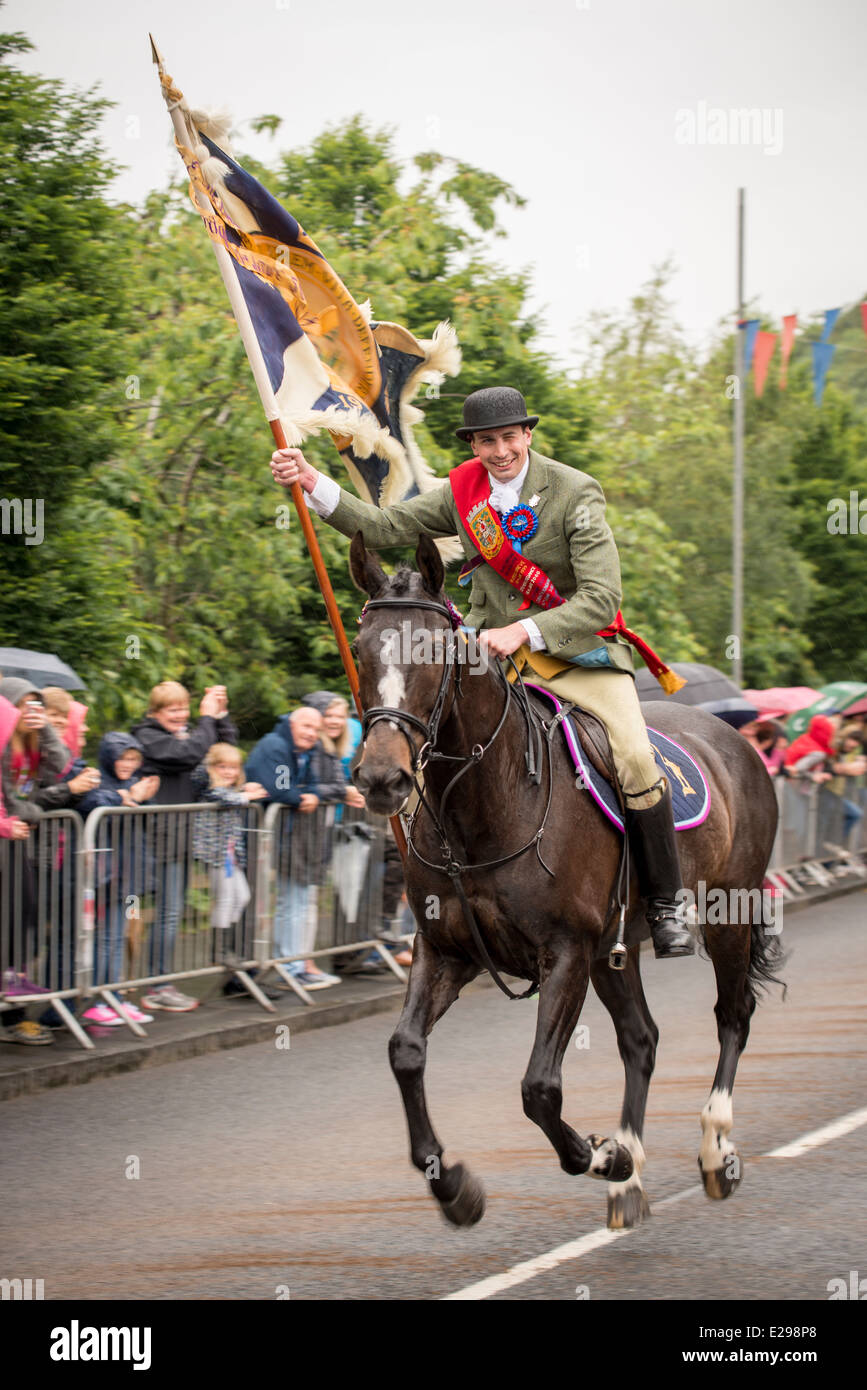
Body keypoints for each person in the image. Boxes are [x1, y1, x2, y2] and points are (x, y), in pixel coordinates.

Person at [270, 386, 694, 958]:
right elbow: (383, 526)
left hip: (574, 650)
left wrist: (526, 630)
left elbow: (600, 596)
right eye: (486, 441)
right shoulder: (462, 491)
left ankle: (666, 906)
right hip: (487, 653)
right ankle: (451, 894)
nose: (498, 451)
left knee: (636, 757)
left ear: (527, 436)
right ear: (473, 444)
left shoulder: (574, 491)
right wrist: (310, 479)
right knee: (422, 742)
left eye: (508, 438)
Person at [0, 678, 99, 1044]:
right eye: (24, 705)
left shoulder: (32, 743)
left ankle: (15, 1012)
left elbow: (64, 766)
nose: (32, 712)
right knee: (11, 923)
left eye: (37, 705)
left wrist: (46, 732)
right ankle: (14, 1014)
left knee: (23, 919)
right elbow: (20, 803)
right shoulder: (3, 748)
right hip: (13, 836)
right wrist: (32, 811)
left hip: (22, 841)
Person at [131, 680, 238, 1011]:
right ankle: (153, 986)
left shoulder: (187, 734)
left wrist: (219, 716)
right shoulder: (148, 736)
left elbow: (224, 749)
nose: (180, 715)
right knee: (148, 913)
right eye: (172, 709)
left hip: (177, 837)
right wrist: (205, 720)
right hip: (149, 839)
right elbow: (188, 754)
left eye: (183, 708)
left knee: (169, 913)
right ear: (155, 712)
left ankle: (155, 983)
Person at [245, 705, 339, 989]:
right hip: (265, 834)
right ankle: (287, 963)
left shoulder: (301, 750)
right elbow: (279, 787)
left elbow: (311, 784)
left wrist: (307, 794)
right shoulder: (276, 745)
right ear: (292, 724)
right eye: (306, 727)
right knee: (285, 901)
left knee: (296, 899)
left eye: (315, 729)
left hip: (288, 835)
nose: (311, 734)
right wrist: (301, 799)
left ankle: (294, 962)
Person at [75, 733, 160, 1026]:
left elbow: (147, 819)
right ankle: (102, 999)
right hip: (111, 877)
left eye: (134, 759)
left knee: (128, 933)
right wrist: (131, 797)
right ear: (110, 757)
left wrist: (145, 798)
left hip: (134, 880)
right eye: (123, 758)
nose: (128, 764)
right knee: (108, 937)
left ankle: (119, 995)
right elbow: (93, 804)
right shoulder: (100, 782)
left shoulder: (134, 783)